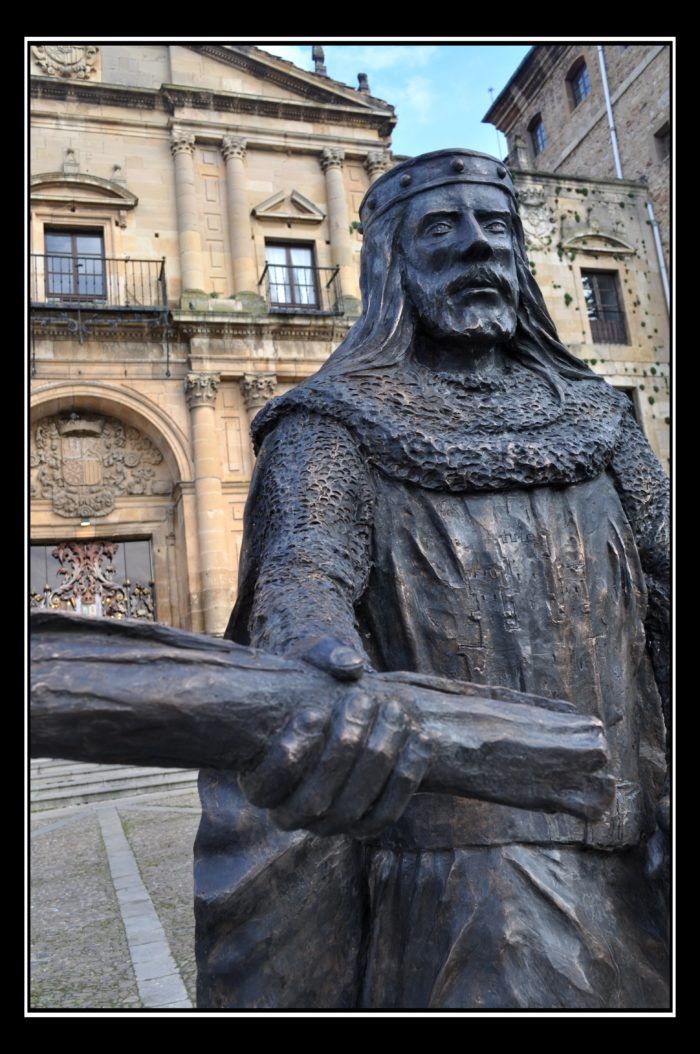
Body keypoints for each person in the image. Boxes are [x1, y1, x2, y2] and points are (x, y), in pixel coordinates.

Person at [194, 149, 669, 1010]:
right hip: (466, 870)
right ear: (390, 260)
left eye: (495, 227)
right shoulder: (327, 425)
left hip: (637, 836)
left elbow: (666, 571)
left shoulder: (598, 415)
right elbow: (303, 578)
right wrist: (324, 658)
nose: (477, 247)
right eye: (441, 227)